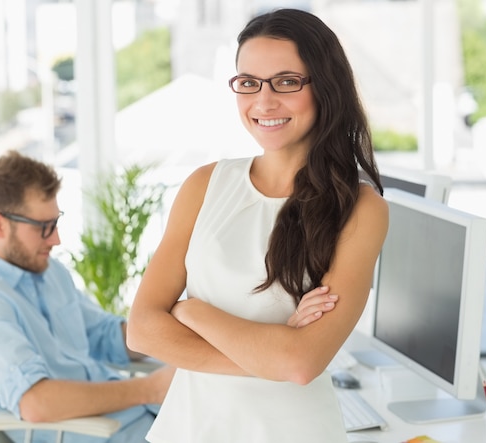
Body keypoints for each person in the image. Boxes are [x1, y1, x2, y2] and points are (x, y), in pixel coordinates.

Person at [127, 8, 389, 443]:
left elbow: (303, 364)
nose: (263, 101)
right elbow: (142, 329)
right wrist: (272, 354)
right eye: (248, 83)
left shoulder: (359, 209)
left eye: (287, 82)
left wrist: (191, 311)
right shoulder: (204, 185)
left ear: (325, 87)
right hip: (187, 431)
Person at [0, 150, 175, 443]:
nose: (56, 239)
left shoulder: (48, 271)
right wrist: (151, 389)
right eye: (44, 228)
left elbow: (104, 335)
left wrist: (167, 332)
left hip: (143, 420)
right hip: (106, 433)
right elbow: (36, 403)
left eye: (55, 223)